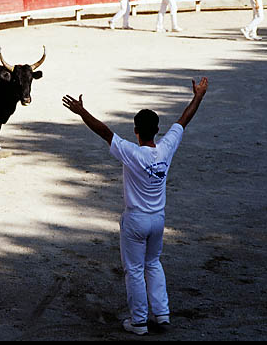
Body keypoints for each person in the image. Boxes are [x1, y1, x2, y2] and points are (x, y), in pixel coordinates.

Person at [62, 77, 209, 335]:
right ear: (158, 130)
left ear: (136, 130)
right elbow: (184, 119)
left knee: (134, 270)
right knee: (153, 263)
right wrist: (199, 95)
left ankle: (139, 322)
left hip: (136, 220)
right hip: (158, 219)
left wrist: (82, 111)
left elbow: (105, 132)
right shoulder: (165, 149)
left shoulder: (131, 152)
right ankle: (162, 314)